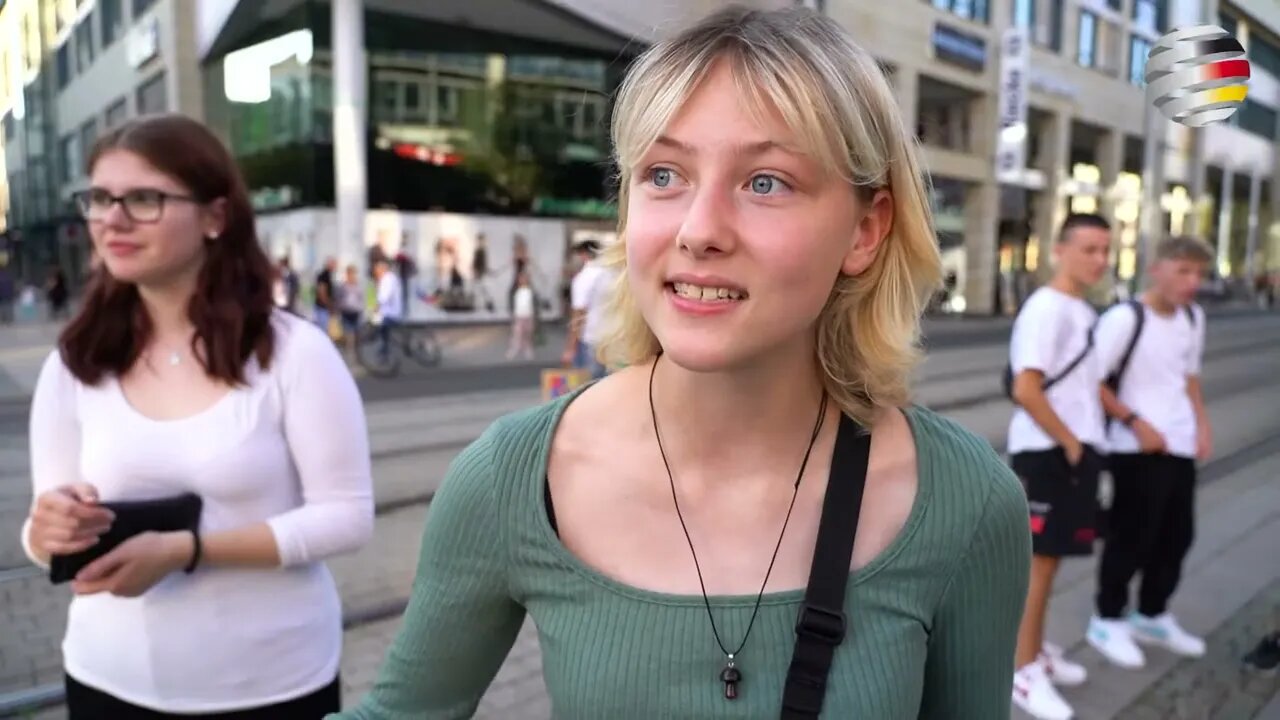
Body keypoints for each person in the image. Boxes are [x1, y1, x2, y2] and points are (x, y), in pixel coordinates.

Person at [332, 7, 1029, 719]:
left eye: (766, 182)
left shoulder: (965, 504)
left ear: (866, 230)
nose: (699, 231)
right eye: (664, 174)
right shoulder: (514, 477)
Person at [22, 114, 374, 719]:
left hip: (268, 685)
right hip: (106, 678)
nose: (113, 218)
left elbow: (346, 517)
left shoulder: (294, 354)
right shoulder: (76, 362)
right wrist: (45, 531)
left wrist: (188, 549)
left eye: (144, 199)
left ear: (215, 217)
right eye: (100, 198)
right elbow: (42, 533)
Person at [1087, 236, 1214, 668]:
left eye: (1199, 273)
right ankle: (1107, 617)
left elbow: (1189, 378)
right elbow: (1092, 381)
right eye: (1183, 271)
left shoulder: (1194, 318)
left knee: (1177, 537)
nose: (1192, 282)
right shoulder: (1125, 319)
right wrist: (1134, 422)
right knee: (1131, 536)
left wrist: (1201, 425)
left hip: (1178, 443)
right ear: (1156, 268)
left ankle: (1152, 613)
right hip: (1134, 448)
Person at [1006, 213, 1112, 720]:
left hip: (1072, 450)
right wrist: (1070, 443)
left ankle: (1036, 652)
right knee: (1037, 565)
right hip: (1049, 452)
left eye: (1105, 250)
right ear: (1059, 249)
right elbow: (1026, 388)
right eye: (1088, 248)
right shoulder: (1047, 309)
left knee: (1053, 561)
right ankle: (1021, 673)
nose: (1099, 260)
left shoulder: (1083, 311)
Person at [560, 238, 610, 379]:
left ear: (583, 255)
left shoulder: (584, 277)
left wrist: (570, 349)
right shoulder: (612, 273)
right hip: (612, 339)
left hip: (591, 341)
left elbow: (578, 316)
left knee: (587, 386)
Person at [373, 257, 403, 362]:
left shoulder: (387, 279)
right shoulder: (390, 278)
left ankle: (384, 354)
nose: (375, 273)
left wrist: (376, 306)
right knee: (382, 330)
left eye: (376, 270)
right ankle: (384, 352)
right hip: (391, 312)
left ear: (382, 269)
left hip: (390, 313)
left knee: (381, 329)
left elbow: (384, 296)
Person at [508, 270, 536, 361]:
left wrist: (534, 316)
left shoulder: (530, 291)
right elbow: (513, 304)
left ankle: (527, 348)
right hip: (518, 316)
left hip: (528, 316)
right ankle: (515, 348)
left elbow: (533, 304)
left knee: (527, 333)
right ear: (518, 280)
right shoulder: (516, 291)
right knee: (517, 333)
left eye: (525, 278)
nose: (523, 280)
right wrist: (513, 314)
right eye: (521, 279)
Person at [314, 256, 338, 330]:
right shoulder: (324, 276)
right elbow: (322, 292)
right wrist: (329, 305)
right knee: (322, 330)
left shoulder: (328, 275)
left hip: (323, 307)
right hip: (322, 308)